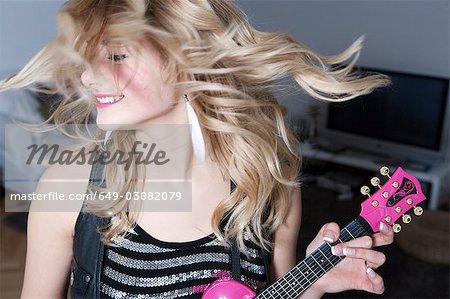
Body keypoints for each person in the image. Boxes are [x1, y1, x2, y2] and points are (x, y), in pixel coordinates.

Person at [0, 1, 394, 298]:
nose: (88, 76)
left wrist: (310, 285)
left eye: (116, 55)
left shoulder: (268, 183)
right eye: (87, 58)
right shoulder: (68, 187)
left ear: (187, 57)